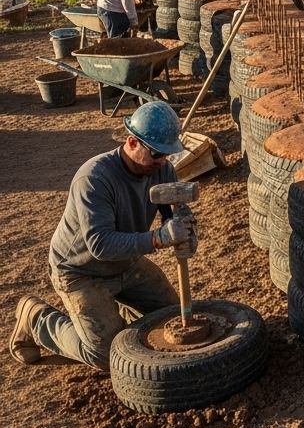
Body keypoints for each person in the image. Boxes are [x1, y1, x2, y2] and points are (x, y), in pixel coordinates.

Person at [9, 101, 197, 372]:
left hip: (127, 262)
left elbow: (173, 212)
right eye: (156, 153)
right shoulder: (95, 178)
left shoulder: (161, 169)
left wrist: (185, 228)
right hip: (80, 271)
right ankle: (37, 319)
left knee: (171, 317)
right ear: (132, 142)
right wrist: (158, 238)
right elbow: (100, 245)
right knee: (107, 355)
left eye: (167, 154)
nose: (162, 161)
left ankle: (114, 316)